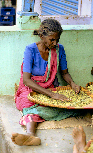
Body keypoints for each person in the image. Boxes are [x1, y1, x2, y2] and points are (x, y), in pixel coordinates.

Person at [11, 18, 81, 146]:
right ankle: (31, 135)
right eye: (52, 40)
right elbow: (26, 80)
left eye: (57, 40)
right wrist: (51, 95)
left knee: (69, 103)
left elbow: (64, 73)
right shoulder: (30, 50)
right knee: (28, 105)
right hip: (32, 87)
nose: (55, 43)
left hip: (51, 87)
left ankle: (37, 120)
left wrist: (72, 84)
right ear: (42, 36)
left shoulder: (59, 50)